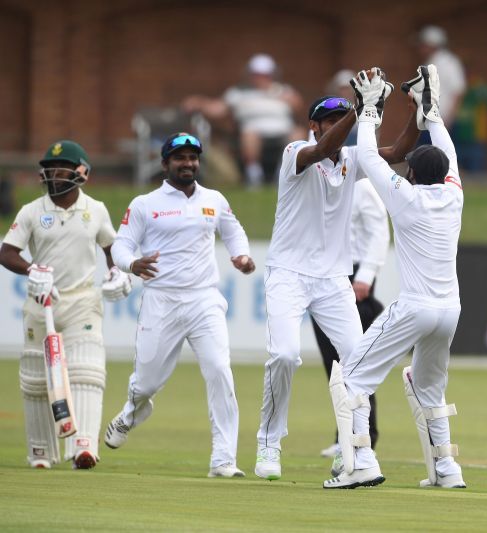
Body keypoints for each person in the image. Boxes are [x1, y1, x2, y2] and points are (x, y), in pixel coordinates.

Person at [255, 69, 419, 481]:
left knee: (358, 363)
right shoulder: (296, 152)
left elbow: (398, 150)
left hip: (333, 280)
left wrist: (419, 111)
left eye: (342, 119)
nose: (338, 128)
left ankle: (359, 453)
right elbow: (325, 146)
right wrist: (360, 111)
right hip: (288, 274)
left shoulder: (352, 160)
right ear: (314, 126)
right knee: (285, 355)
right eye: (330, 121)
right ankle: (269, 443)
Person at [323, 65, 466, 490]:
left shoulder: (406, 198)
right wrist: (433, 115)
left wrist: (369, 112)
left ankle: (360, 459)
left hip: (416, 308)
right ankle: (446, 469)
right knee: (428, 388)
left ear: (411, 174)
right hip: (450, 311)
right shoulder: (455, 194)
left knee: (351, 376)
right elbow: (450, 155)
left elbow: (367, 157)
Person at [104, 132, 255, 478]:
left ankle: (223, 459)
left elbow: (232, 230)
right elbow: (121, 246)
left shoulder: (213, 199)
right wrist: (132, 265)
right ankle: (130, 412)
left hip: (205, 299)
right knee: (146, 383)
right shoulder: (145, 204)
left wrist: (241, 256)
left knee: (220, 371)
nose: (188, 164)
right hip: (162, 300)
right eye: (180, 158)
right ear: (164, 164)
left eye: (192, 158)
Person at [0, 140, 132, 470]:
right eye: (49, 169)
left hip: (82, 302)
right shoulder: (32, 211)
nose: (53, 175)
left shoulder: (96, 209)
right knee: (35, 380)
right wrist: (32, 269)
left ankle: (83, 446)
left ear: (81, 172)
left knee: (86, 371)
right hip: (40, 302)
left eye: (61, 169)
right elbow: (7, 252)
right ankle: (41, 451)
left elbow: (111, 247)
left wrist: (116, 271)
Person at [312, 175, 389, 460]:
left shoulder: (362, 185)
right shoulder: (315, 182)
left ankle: (363, 434)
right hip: (321, 273)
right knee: (332, 363)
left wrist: (366, 275)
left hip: (354, 277)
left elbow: (379, 231)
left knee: (356, 361)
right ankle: (344, 434)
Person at [183, 54, 303, 186]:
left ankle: (284, 172)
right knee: (249, 135)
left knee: (298, 133)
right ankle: (254, 174)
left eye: (265, 75)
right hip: (253, 130)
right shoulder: (238, 93)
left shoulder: (283, 90)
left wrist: (284, 96)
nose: (261, 78)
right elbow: (217, 109)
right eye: (257, 75)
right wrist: (199, 103)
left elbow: (298, 106)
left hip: (283, 129)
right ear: (250, 75)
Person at [415, 26, 465, 129]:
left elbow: (458, 91)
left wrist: (450, 119)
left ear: (432, 45)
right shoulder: (430, 62)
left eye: (423, 45)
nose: (420, 48)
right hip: (428, 119)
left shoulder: (449, 63)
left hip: (442, 120)